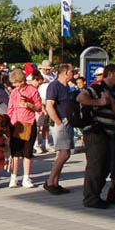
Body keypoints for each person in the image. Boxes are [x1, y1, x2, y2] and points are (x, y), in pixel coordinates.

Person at [77, 64, 115, 209]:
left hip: (108, 132)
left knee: (105, 166)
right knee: (96, 165)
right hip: (95, 131)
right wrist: (98, 102)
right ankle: (91, 198)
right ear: (109, 74)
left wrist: (110, 101)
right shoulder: (97, 88)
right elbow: (81, 97)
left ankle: (96, 194)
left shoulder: (114, 93)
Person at [43, 63, 76, 194]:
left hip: (67, 121)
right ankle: (51, 181)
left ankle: (55, 182)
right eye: (72, 72)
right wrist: (58, 122)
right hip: (60, 121)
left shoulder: (67, 86)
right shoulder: (54, 86)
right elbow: (49, 105)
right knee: (64, 153)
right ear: (66, 73)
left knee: (62, 154)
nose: (73, 74)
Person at [6, 69, 41, 188]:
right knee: (15, 153)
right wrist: (9, 123)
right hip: (16, 124)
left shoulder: (32, 90)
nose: (15, 85)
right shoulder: (14, 92)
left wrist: (29, 105)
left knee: (27, 152)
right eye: (14, 83)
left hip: (29, 123)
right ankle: (13, 177)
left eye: (17, 83)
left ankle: (26, 177)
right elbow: (10, 109)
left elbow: (39, 107)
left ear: (22, 81)